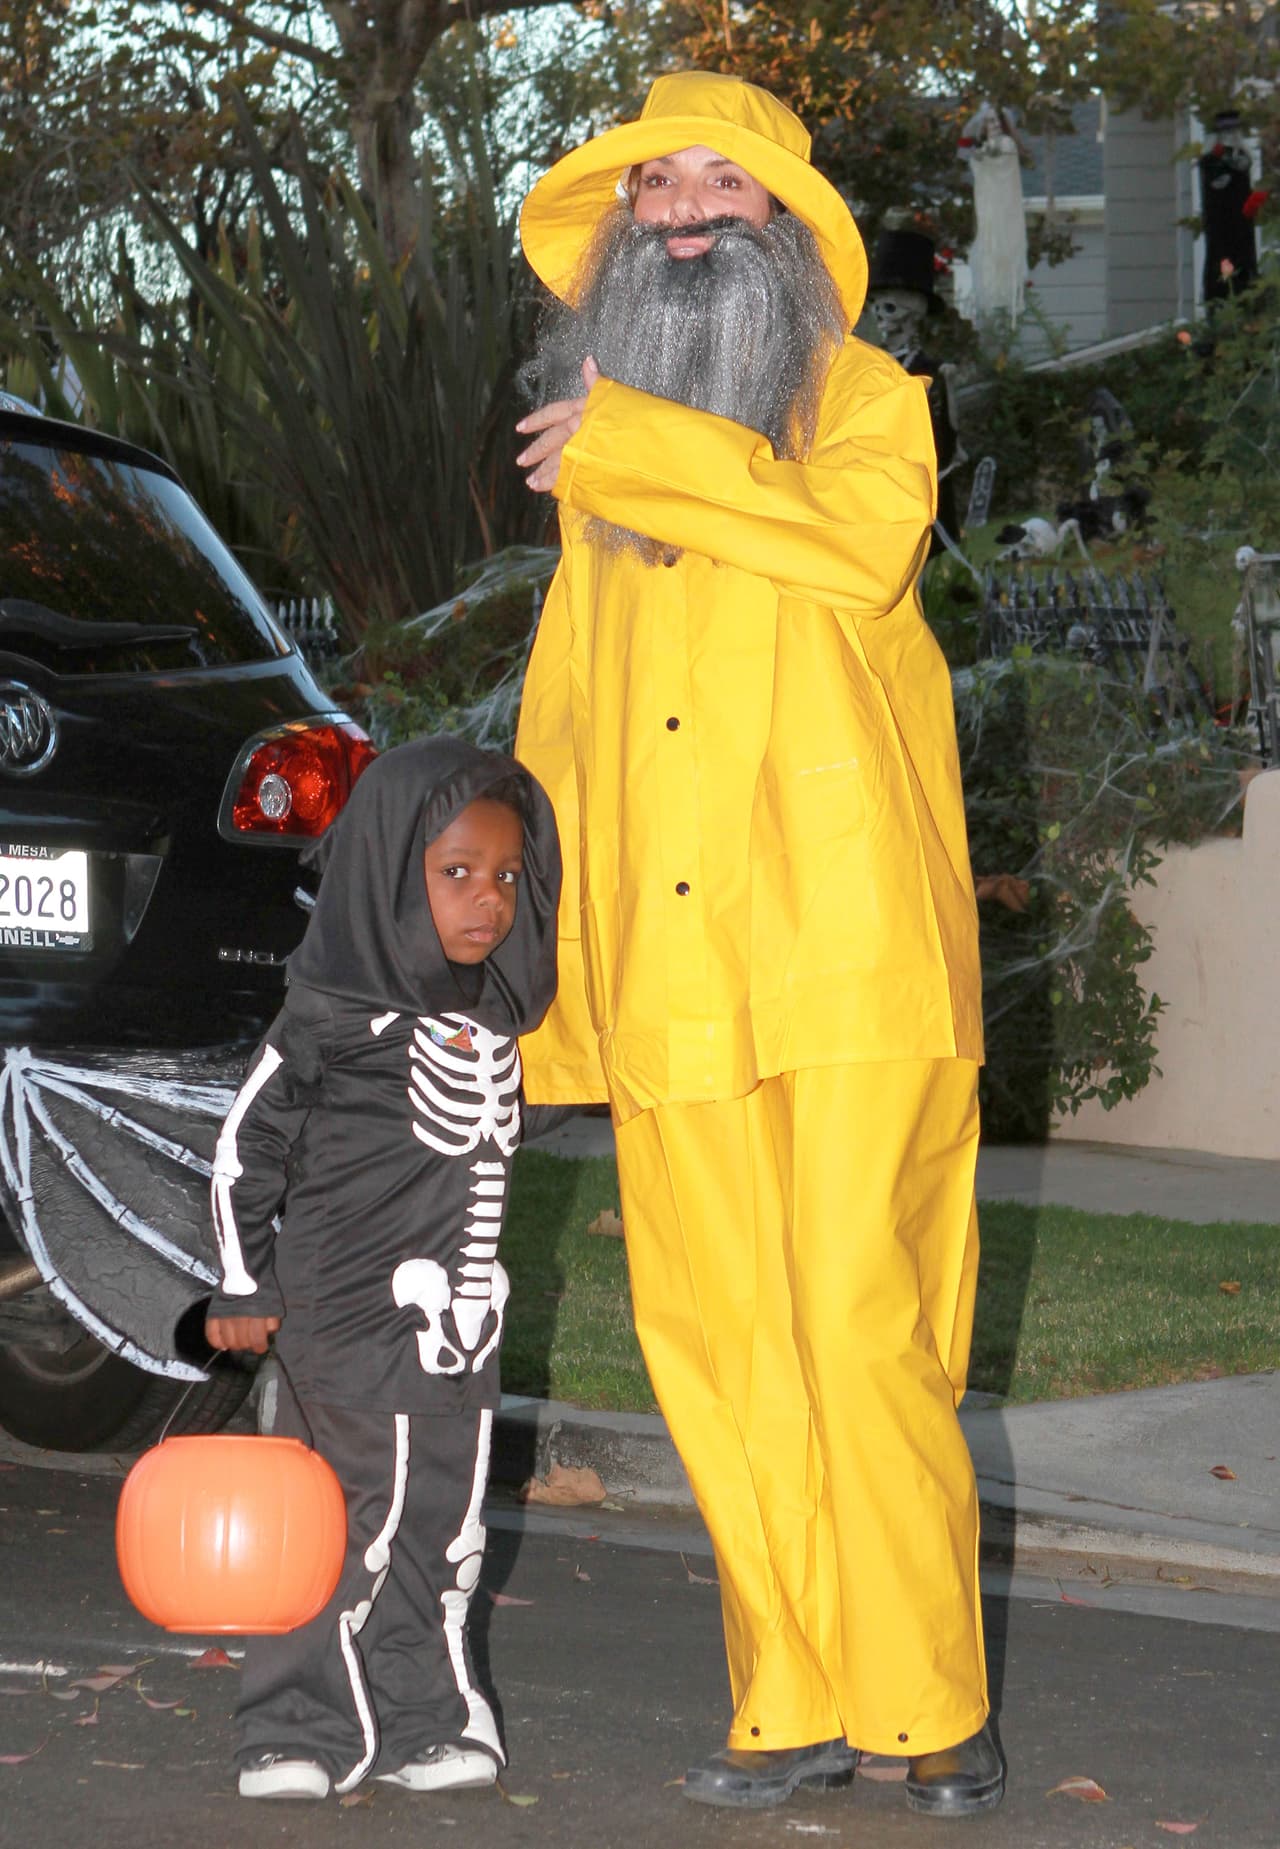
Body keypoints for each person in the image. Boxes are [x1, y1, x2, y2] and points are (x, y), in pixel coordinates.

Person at [513, 71, 1003, 1817]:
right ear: (626, 227)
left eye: (726, 178)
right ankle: (788, 1695)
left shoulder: (867, 398)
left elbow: (860, 550)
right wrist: (527, 940)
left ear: (786, 221)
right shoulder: (604, 458)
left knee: (863, 1323)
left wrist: (635, 444)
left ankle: (929, 1702)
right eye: (660, 184)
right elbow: (566, 710)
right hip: (667, 970)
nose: (690, 205)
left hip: (851, 955)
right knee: (716, 1339)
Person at [203, 736, 561, 1802]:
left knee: (440, 1533)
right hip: (341, 1321)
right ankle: (292, 1724)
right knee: (330, 1523)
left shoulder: (492, 1024)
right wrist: (240, 1282)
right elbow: (242, 1148)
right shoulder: (326, 1016)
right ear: (384, 869)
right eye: (454, 873)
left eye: (506, 877)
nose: (485, 901)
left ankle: (424, 1716)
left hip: (458, 1329)